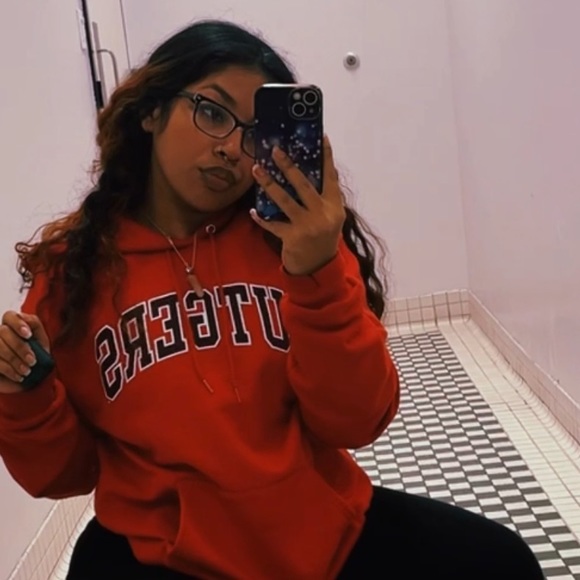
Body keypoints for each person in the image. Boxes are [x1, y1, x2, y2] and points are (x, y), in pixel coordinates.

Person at [0, 20, 544, 580]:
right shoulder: (74, 269)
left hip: (323, 536)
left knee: (500, 563)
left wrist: (317, 270)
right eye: (212, 112)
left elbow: (357, 421)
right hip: (164, 554)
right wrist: (26, 394)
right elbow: (63, 476)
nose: (231, 149)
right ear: (151, 111)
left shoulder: (289, 241)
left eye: (255, 134)